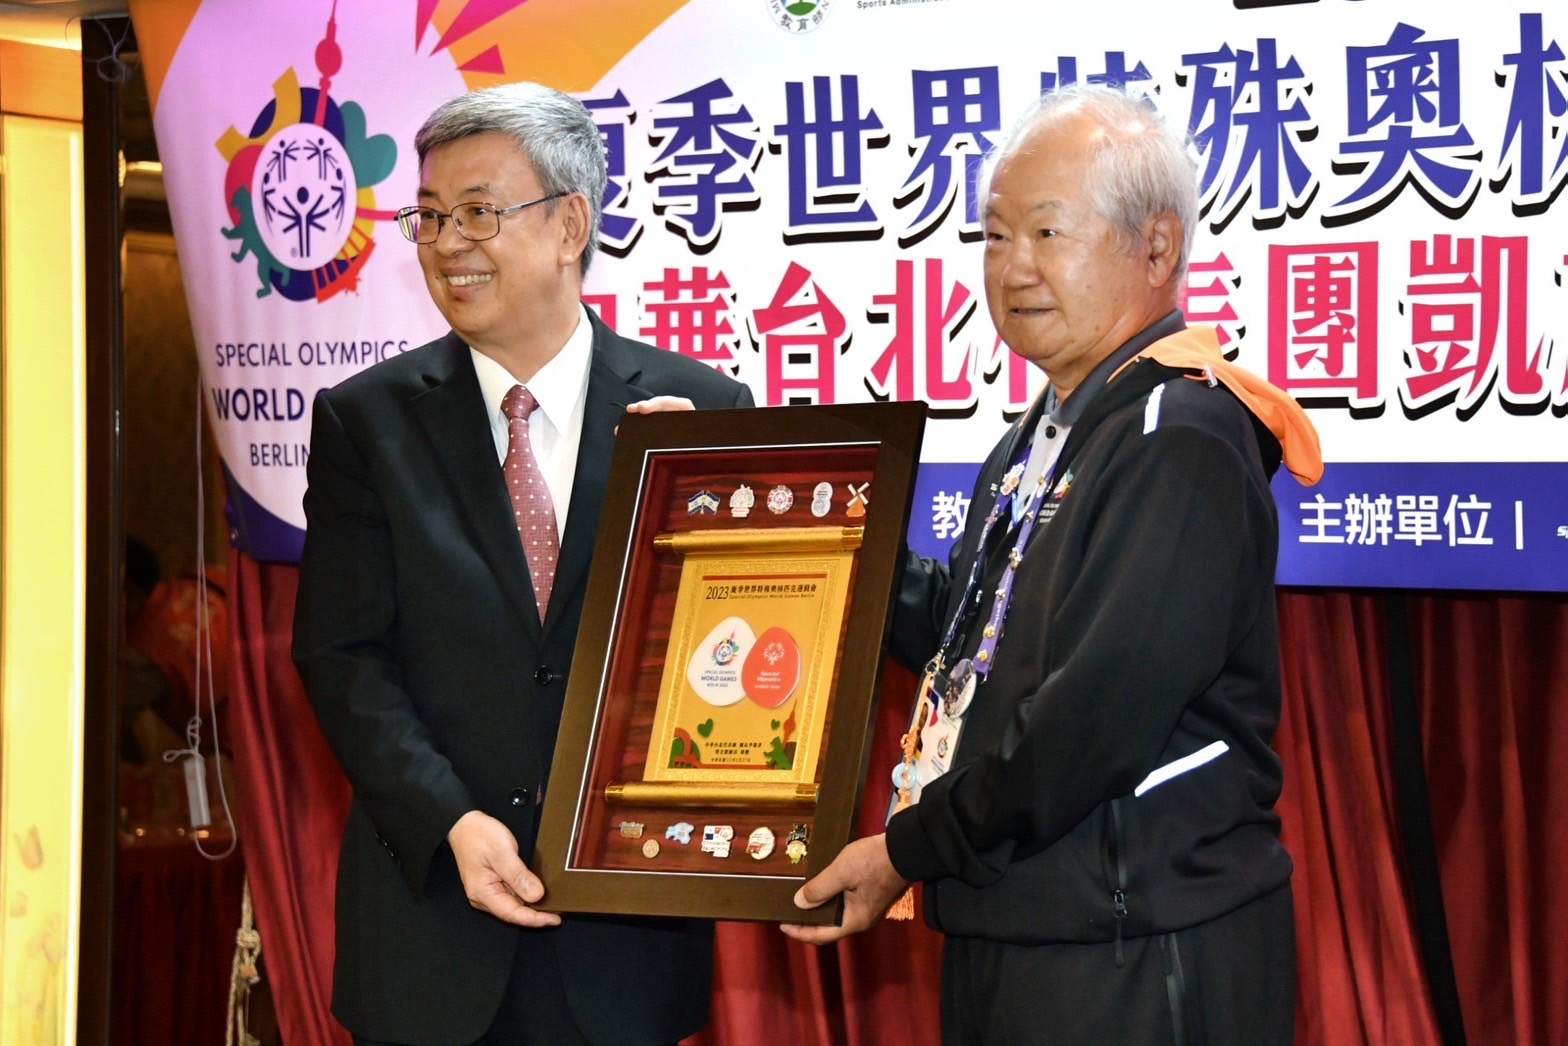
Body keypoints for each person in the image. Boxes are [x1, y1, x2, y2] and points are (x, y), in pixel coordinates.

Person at [783, 83, 1322, 1044]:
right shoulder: (1042, 434)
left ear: (1157, 249)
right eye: (995, 236)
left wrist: (908, 850)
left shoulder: (1179, 435)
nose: (1013, 268)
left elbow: (1089, 723)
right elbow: (969, 644)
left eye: (1046, 232)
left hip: (1137, 950)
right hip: (1016, 923)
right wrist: (793, 514)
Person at [293, 82, 752, 1046]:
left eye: (478, 212)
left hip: (623, 944)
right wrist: (450, 822)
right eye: (429, 215)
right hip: (431, 929)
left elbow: (737, 649)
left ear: (569, 225)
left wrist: (704, 495)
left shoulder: (698, 410)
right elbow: (343, 659)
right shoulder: (366, 421)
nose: (446, 243)